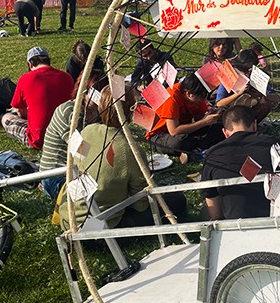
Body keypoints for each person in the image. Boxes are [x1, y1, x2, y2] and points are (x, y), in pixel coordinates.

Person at [59, 86, 187, 230]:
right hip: (98, 230)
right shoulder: (130, 150)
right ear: (132, 111)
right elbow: (141, 204)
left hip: (69, 220)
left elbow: (79, 163)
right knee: (176, 200)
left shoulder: (87, 131)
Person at [201, 106, 280, 220]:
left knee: (204, 212)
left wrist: (218, 223)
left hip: (235, 223)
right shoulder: (274, 143)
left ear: (225, 132)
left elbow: (210, 195)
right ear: (254, 125)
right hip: (277, 217)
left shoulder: (213, 154)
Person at [39, 71, 104, 200]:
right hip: (56, 176)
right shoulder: (69, 112)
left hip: (81, 170)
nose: (101, 96)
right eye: (96, 92)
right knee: (97, 196)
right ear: (84, 91)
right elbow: (81, 151)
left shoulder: (98, 112)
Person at [2, 46, 74, 150]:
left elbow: (20, 112)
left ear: (30, 64)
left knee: (6, 117)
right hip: (65, 137)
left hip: (39, 140)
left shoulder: (25, 78)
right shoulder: (66, 77)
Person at [146, 73, 224, 158]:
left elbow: (200, 117)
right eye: (201, 97)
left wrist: (209, 115)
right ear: (188, 93)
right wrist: (204, 122)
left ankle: (195, 151)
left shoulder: (197, 96)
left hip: (184, 130)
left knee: (219, 128)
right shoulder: (172, 97)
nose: (203, 100)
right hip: (161, 135)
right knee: (179, 142)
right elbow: (174, 131)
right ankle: (199, 148)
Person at [214, 49, 279, 121]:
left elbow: (276, 98)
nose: (246, 73)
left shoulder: (256, 77)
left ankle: (251, 125)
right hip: (231, 113)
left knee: (265, 106)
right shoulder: (230, 77)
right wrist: (238, 93)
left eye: (249, 69)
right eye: (243, 69)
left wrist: (261, 95)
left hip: (250, 111)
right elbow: (219, 103)